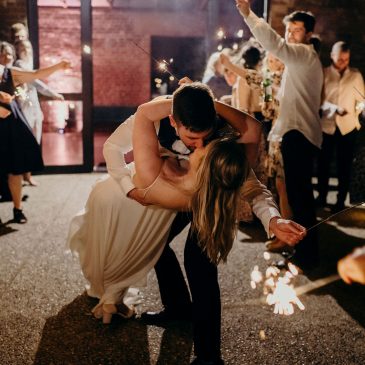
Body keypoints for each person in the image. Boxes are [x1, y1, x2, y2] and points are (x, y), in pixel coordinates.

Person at [235, 0, 323, 271]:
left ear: (308, 34)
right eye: (289, 30)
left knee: (300, 198)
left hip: (298, 134)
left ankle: (307, 255)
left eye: (296, 30)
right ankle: (304, 251)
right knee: (298, 197)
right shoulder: (300, 60)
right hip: (295, 133)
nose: (290, 35)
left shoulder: (303, 54)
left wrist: (249, 15)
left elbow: (276, 45)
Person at [0, 41, 70, 223]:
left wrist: (59, 65)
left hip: (10, 125)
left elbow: (36, 75)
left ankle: (18, 210)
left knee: (15, 169)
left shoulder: (10, 73)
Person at [317, 41, 365, 213]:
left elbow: (361, 100)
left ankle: (339, 201)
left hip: (348, 127)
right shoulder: (323, 74)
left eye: (346, 60)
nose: (343, 63)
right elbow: (318, 100)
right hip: (327, 125)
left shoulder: (355, 75)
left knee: (344, 165)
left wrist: (360, 108)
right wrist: (334, 108)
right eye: (340, 59)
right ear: (332, 56)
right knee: (323, 164)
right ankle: (321, 197)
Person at [14, 39, 64, 186]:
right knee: (28, 141)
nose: (27, 50)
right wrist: (53, 93)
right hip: (25, 107)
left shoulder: (27, 64)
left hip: (33, 105)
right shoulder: (20, 65)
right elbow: (36, 81)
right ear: (18, 50)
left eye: (28, 47)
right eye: (23, 48)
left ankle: (27, 175)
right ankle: (25, 175)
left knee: (34, 140)